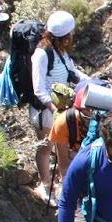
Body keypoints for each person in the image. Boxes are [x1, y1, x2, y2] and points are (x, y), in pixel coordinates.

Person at [29, 11, 89, 201]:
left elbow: (74, 73)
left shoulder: (59, 52)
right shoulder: (41, 54)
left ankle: (67, 191)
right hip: (45, 111)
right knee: (46, 148)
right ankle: (46, 187)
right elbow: (38, 88)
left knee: (64, 151)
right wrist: (54, 111)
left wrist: (94, 84)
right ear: (65, 35)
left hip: (60, 110)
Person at [47, 83, 88, 200]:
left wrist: (77, 156)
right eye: (85, 116)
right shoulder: (63, 122)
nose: (90, 121)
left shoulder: (107, 121)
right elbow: (64, 167)